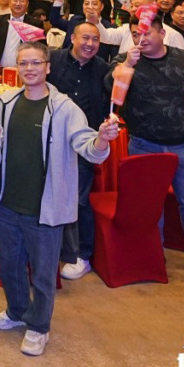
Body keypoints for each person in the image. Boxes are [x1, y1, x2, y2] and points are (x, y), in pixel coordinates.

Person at [0, 41, 116, 356]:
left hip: (45, 208)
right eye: (24, 63)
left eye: (36, 63)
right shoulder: (6, 102)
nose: (29, 69)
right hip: (7, 203)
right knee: (10, 266)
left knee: (43, 273)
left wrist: (101, 139)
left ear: (47, 67)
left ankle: (39, 326)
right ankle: (17, 311)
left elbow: (88, 147)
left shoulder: (65, 109)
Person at [108, 13, 184, 283]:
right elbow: (108, 90)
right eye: (136, 34)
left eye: (147, 33)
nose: (141, 39)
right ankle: (154, 252)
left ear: (162, 33)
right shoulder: (125, 60)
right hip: (143, 143)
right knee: (149, 204)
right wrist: (127, 65)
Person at [48, 23, 112, 279]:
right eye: (85, 38)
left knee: (79, 199)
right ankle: (53, 248)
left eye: (95, 40)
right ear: (72, 38)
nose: (90, 44)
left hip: (85, 141)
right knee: (49, 194)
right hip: (51, 138)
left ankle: (81, 254)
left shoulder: (103, 69)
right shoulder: (53, 60)